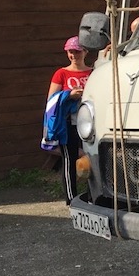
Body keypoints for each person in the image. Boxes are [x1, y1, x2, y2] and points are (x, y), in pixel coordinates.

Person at [46, 36, 93, 205]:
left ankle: (93, 196)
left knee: (93, 159)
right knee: (69, 159)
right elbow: (51, 100)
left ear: (85, 52)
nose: (74, 55)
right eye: (70, 52)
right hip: (69, 124)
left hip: (91, 123)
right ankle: (71, 199)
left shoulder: (93, 72)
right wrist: (69, 95)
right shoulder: (61, 73)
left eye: (77, 51)